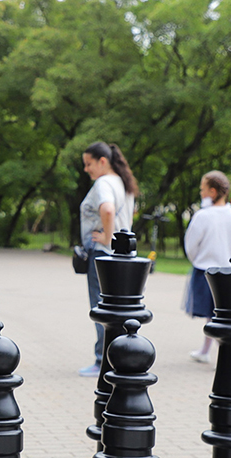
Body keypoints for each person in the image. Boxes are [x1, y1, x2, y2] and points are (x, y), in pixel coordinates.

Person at [77, 141, 137, 377]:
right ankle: (120, 357)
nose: (86, 169)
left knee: (101, 307)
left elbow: (108, 210)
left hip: (103, 254)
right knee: (117, 309)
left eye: (88, 164)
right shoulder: (122, 182)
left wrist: (105, 237)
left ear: (102, 161)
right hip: (122, 255)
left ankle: (103, 360)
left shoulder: (103, 183)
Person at [184, 171, 231, 363]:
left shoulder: (203, 216)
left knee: (212, 315)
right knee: (220, 313)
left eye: (203, 189)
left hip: (206, 271)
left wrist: (197, 260)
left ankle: (221, 352)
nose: (201, 193)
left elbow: (191, 245)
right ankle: (207, 349)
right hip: (228, 270)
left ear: (212, 191)